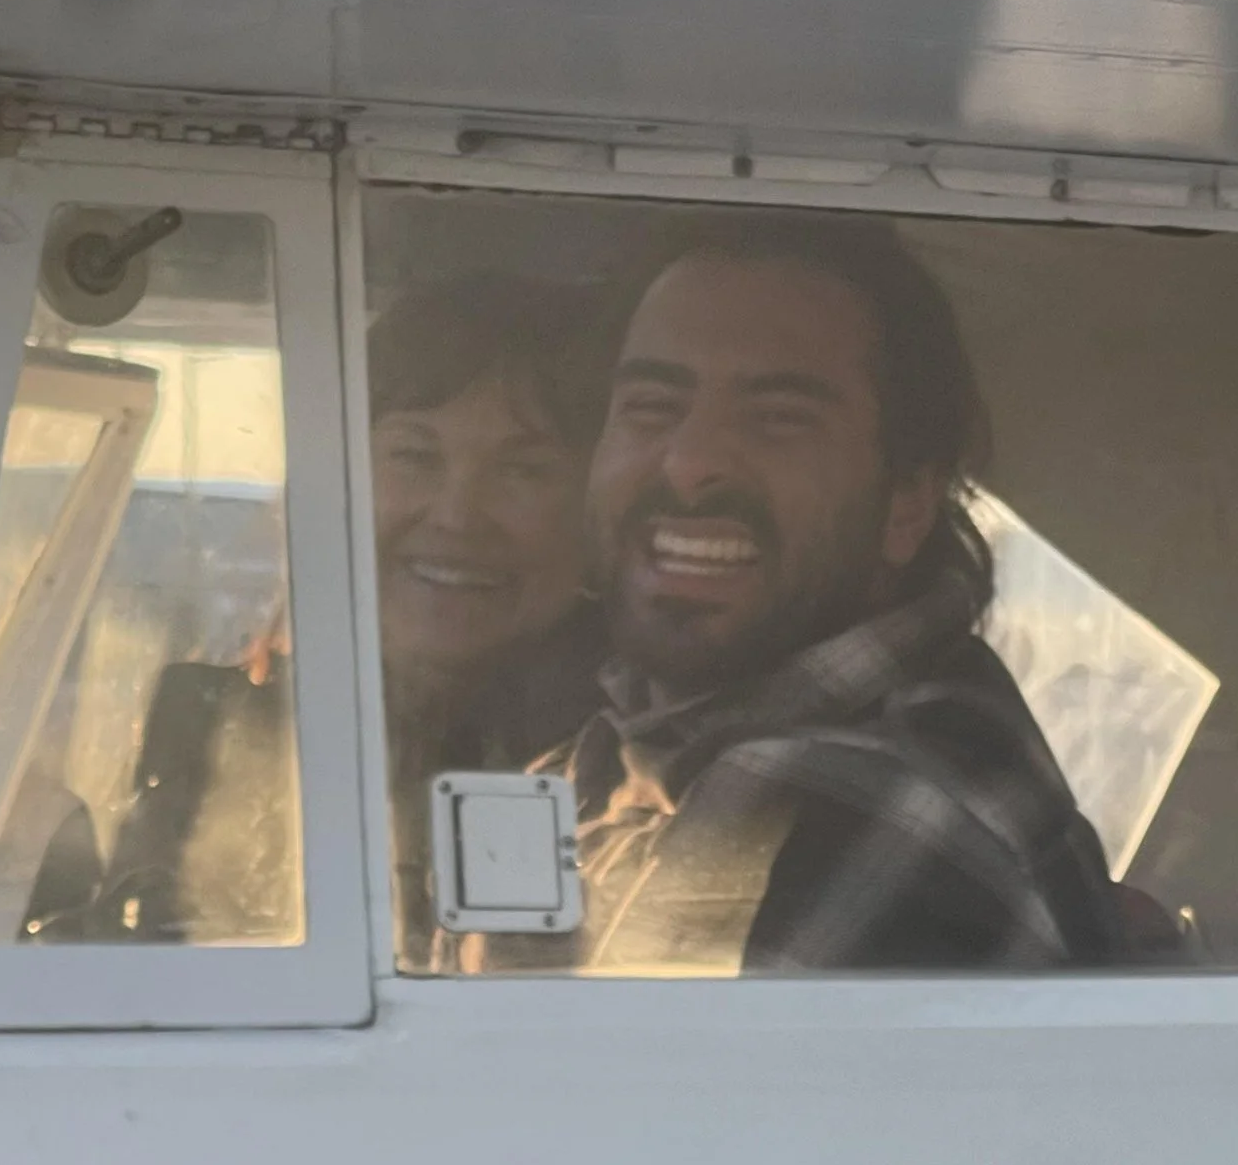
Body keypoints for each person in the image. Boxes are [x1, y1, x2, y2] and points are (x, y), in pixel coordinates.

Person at [478, 217, 1119, 974]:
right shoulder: (605, 753)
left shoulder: (839, 807)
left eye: (779, 419)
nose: (689, 465)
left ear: (907, 501)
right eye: (651, 407)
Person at [368, 276, 607, 960]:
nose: (456, 515)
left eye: (524, 470)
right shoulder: (258, 720)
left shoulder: (616, 769)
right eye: (414, 455)